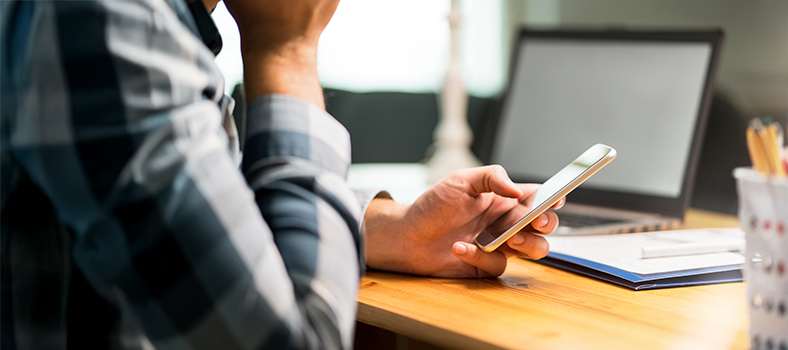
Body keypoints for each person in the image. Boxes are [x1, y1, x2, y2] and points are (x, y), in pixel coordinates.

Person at [0, 0, 560, 349]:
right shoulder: (106, 18)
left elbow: (206, 208)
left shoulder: (167, 26)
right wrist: (285, 52)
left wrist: (393, 230)